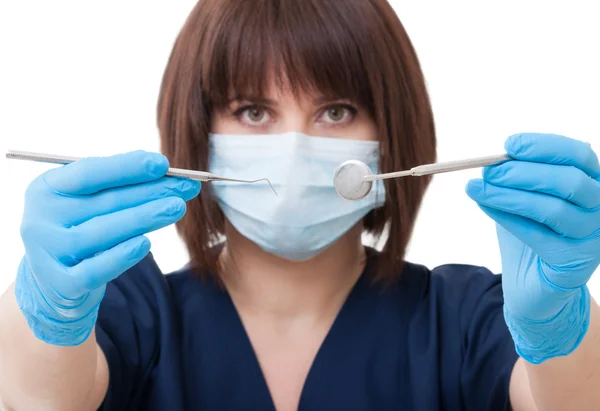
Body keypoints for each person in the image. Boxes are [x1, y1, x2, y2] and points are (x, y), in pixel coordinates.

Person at [1, 0, 599, 410]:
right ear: (199, 126)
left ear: (390, 129)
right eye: (253, 112)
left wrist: (556, 326)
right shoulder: (134, 310)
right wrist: (47, 312)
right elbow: (35, 396)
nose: (292, 150)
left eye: (335, 111)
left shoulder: (464, 318)